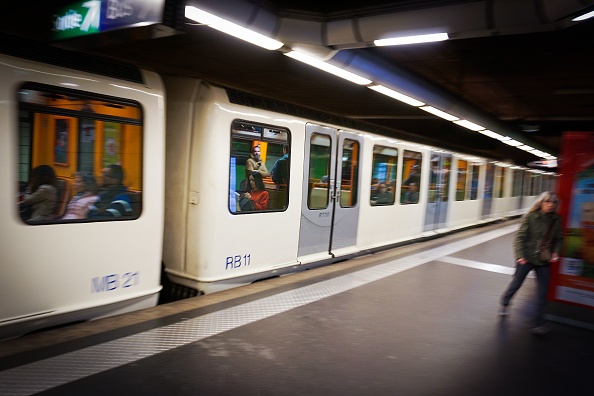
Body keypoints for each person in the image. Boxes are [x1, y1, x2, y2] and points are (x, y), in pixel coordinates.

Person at [498, 191, 563, 335]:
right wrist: (520, 256)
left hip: (543, 260)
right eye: (547, 202)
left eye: (554, 203)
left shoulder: (556, 220)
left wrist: (556, 251)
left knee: (542, 292)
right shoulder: (531, 217)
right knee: (516, 284)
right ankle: (505, 302)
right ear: (541, 202)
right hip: (526, 258)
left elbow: (559, 238)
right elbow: (519, 238)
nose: (551, 205)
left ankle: (538, 323)